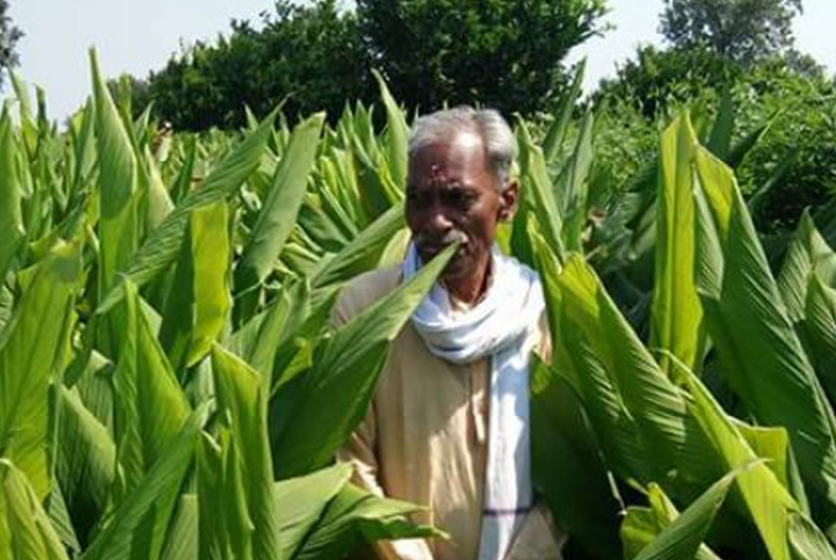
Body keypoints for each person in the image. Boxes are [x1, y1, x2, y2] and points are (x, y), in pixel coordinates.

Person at [335, 107, 565, 560]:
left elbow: (570, 465)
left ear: (507, 201)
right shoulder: (364, 310)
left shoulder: (539, 310)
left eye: (458, 199)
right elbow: (352, 467)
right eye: (419, 199)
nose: (434, 222)